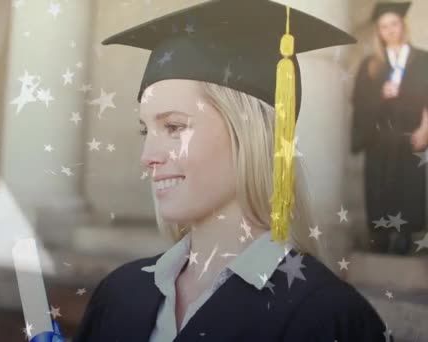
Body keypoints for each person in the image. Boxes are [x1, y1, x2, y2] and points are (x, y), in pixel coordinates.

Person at [73, 0, 392, 341]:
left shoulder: (327, 319)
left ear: (248, 131)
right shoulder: (119, 294)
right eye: (145, 130)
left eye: (175, 126)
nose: (147, 156)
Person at [351, 1, 428, 255]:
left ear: (402, 25)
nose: (390, 30)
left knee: (408, 185)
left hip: (409, 134)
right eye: (384, 26)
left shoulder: (422, 60)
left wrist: (424, 130)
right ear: (378, 31)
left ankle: (404, 236)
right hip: (379, 136)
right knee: (379, 185)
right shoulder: (371, 65)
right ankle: (381, 236)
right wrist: (380, 94)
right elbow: (359, 101)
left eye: (394, 24)